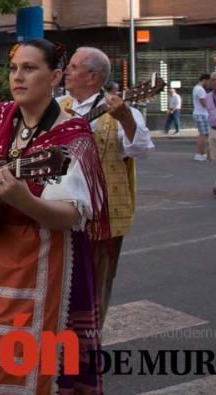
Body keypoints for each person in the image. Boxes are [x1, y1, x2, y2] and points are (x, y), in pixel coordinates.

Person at [0, 39, 110, 394]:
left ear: (55, 76)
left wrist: (23, 200)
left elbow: (71, 216)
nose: (18, 77)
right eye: (14, 69)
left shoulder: (71, 135)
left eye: (30, 69)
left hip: (42, 263)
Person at [62, 46, 153, 328]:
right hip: (60, 210)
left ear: (92, 76)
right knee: (60, 281)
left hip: (103, 216)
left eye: (74, 67)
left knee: (97, 284)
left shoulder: (123, 109)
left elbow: (140, 149)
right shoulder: (57, 107)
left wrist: (125, 118)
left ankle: (89, 346)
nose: (67, 71)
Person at [192, 73, 211, 161]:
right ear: (205, 80)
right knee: (204, 135)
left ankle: (200, 154)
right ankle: (201, 154)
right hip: (202, 114)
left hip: (198, 113)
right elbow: (204, 103)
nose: (209, 83)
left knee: (202, 135)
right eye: (208, 81)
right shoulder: (200, 90)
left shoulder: (196, 88)